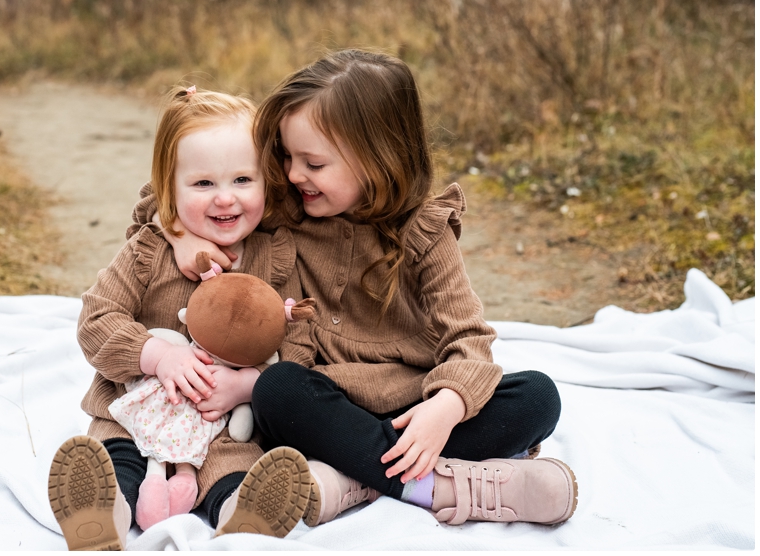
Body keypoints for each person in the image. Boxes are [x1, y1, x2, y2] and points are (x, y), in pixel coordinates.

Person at [166, 49, 574, 537]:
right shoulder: (290, 208)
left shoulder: (425, 232)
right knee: (276, 390)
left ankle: (350, 478)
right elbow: (169, 192)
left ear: (378, 159)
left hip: (414, 409)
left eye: (313, 162)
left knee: (537, 397)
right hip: (325, 402)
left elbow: (468, 337)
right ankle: (439, 488)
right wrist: (179, 234)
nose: (294, 174)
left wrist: (445, 408)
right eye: (288, 157)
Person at [49, 87, 297, 550]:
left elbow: (300, 339)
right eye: (203, 184)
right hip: (133, 409)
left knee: (232, 463)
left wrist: (251, 383)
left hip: (220, 418)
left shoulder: (275, 258)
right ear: (169, 189)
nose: (226, 199)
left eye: (243, 180)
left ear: (268, 180)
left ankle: (242, 516)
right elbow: (96, 318)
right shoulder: (148, 250)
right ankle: (102, 514)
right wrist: (156, 355)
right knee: (118, 454)